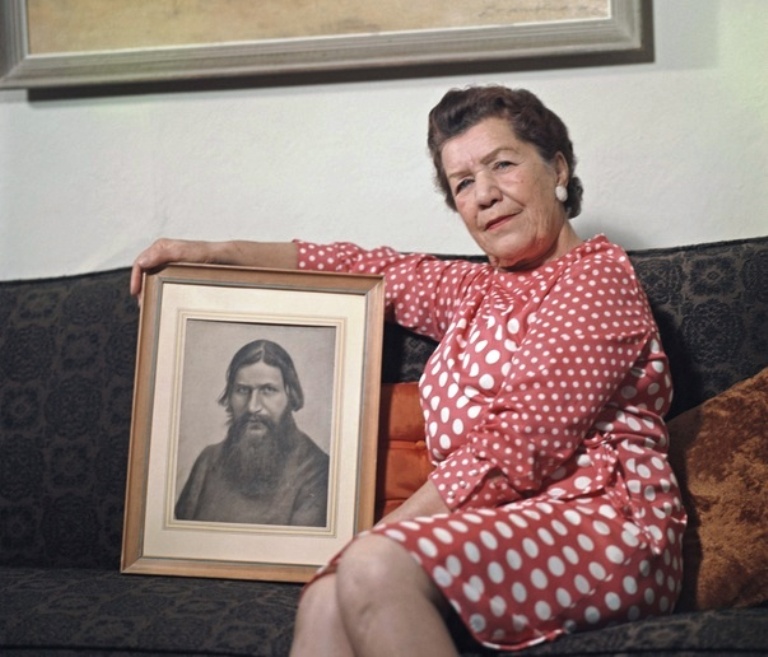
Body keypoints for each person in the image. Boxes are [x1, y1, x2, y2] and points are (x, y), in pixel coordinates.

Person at [131, 85, 686, 656]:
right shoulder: (472, 290)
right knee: (323, 597)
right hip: (497, 532)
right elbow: (354, 267)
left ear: (557, 168)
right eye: (463, 183)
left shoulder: (596, 279)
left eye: (502, 165)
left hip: (605, 526)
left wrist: (375, 538)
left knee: (369, 563)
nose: (485, 195)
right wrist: (213, 253)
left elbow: (519, 443)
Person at [175, 338, 329, 527]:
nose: (252, 406)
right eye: (242, 390)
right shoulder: (207, 461)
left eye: (268, 390)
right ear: (230, 395)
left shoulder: (318, 471)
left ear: (290, 394)